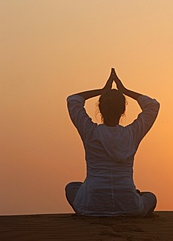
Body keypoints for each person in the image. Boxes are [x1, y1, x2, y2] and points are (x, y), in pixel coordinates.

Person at [65, 68, 160, 217]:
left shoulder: (90, 132)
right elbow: (153, 106)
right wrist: (125, 90)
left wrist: (102, 91)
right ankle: (131, 196)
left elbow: (73, 100)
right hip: (128, 205)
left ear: (100, 109)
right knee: (150, 197)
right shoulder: (131, 134)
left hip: (92, 204)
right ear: (123, 111)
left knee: (71, 188)